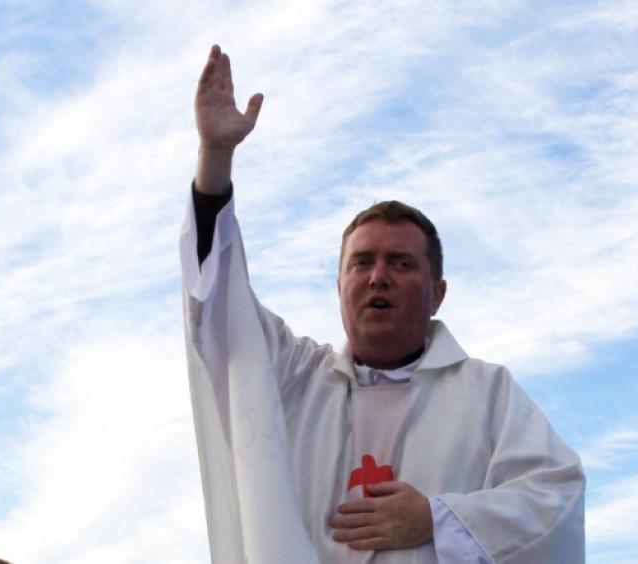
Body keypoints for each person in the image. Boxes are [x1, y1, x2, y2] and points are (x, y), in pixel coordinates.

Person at [181, 45, 585, 564]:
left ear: (437, 293)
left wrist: (437, 519)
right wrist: (215, 159)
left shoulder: (488, 394)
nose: (378, 277)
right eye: (362, 262)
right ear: (340, 285)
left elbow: (556, 499)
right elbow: (220, 308)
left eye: (401, 264)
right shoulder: (294, 378)